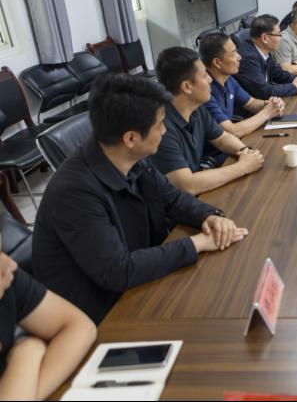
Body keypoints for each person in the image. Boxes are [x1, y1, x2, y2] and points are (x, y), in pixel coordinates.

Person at [33, 74, 248, 324]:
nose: (164, 131)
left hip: (139, 282)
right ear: (131, 138)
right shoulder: (73, 193)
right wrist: (197, 243)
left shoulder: (128, 157)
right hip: (100, 314)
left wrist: (208, 216)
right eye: (160, 124)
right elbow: (118, 271)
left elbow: (172, 199)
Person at [152, 47, 265, 195]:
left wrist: (245, 151)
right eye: (205, 75)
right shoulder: (160, 127)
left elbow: (222, 139)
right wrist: (242, 167)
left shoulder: (197, 108)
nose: (211, 80)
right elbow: (187, 185)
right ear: (187, 87)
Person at [0, 248, 95, 400]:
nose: (11, 264)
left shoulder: (6, 277)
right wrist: (27, 352)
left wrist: (26, 391)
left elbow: (80, 327)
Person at [199, 32, 285, 139]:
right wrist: (266, 113)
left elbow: (250, 103)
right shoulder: (205, 92)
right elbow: (232, 131)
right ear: (217, 62)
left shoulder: (228, 79)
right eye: (234, 53)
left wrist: (269, 104)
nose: (239, 57)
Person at [236, 14, 297, 99]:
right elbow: (264, 91)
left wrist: (296, 80)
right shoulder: (247, 58)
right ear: (265, 38)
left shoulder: (264, 50)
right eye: (278, 34)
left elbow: (277, 73)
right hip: (255, 105)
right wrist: (295, 87)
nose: (281, 37)